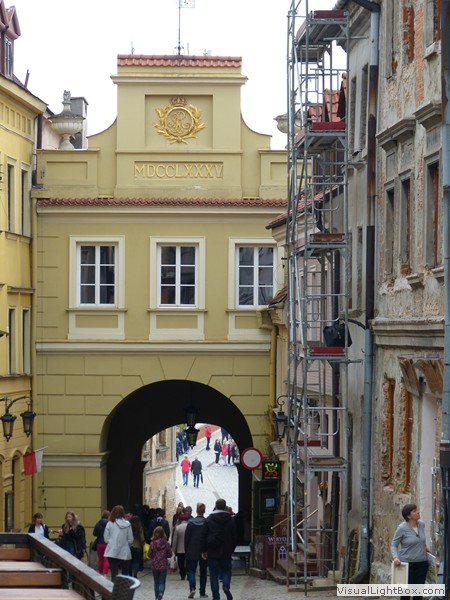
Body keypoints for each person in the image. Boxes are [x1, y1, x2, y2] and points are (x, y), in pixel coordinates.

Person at [391, 503, 429, 600]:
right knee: (406, 594)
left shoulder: (421, 525)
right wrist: (395, 557)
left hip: (422, 563)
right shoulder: (402, 528)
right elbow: (394, 545)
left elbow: (421, 539)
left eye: (417, 510)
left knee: (418, 594)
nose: (418, 512)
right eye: (415, 511)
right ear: (408, 516)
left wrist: (424, 546)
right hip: (408, 565)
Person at [201, 498, 237, 600]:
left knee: (213, 575)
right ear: (225, 507)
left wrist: (203, 550)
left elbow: (203, 536)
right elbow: (235, 536)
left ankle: (216, 596)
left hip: (212, 551)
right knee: (226, 570)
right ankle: (226, 585)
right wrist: (231, 549)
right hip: (226, 551)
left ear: (216, 506)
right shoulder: (230, 520)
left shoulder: (209, 519)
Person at [104, 504, 133, 582]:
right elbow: (130, 539)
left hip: (112, 551)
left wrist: (111, 542)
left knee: (114, 574)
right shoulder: (127, 524)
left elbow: (106, 539)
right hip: (124, 552)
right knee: (125, 574)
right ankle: (124, 588)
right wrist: (126, 544)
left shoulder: (109, 524)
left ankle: (114, 588)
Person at [185, 502, 208, 599]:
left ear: (196, 511)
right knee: (203, 571)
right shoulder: (207, 522)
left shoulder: (191, 523)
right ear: (204, 511)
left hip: (192, 549)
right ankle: (202, 592)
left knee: (191, 570)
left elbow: (187, 538)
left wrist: (187, 549)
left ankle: (192, 588)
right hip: (203, 550)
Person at [148, 525, 172, 600]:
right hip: (163, 564)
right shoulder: (166, 543)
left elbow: (149, 554)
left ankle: (156, 597)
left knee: (156, 582)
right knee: (162, 582)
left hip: (154, 564)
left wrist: (153, 556)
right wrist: (165, 556)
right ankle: (161, 593)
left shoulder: (152, 543)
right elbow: (170, 554)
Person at [172, 507, 192, 581]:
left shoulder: (177, 528)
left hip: (180, 549)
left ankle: (182, 574)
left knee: (180, 562)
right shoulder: (190, 527)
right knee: (188, 562)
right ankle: (188, 573)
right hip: (188, 548)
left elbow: (175, 540)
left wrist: (173, 550)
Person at [93, 510, 111, 575]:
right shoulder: (110, 524)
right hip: (107, 544)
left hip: (99, 544)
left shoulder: (98, 523)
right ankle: (105, 573)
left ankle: (100, 572)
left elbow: (94, 533)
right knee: (106, 559)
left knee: (100, 559)